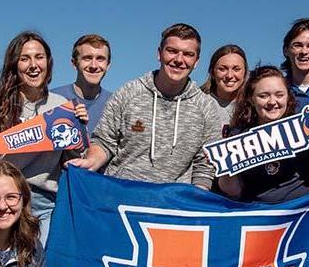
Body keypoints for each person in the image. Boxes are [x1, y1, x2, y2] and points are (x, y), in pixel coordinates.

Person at [0, 31, 86, 245]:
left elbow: (73, 161)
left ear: (48, 62)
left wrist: (78, 131)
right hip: (2, 202)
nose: (33, 65)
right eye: (24, 58)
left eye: (39, 57)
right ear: (14, 65)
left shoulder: (61, 106)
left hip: (44, 205)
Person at [67, 23, 222, 189]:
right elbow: (105, 141)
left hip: (173, 204)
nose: (179, 60)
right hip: (120, 194)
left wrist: (193, 201)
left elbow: (204, 167)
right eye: (172, 51)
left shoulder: (206, 107)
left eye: (188, 54)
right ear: (159, 54)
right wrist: (91, 161)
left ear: (196, 61)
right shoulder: (128, 92)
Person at [218, 66, 309, 203]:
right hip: (260, 214)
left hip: (306, 210)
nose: (272, 102)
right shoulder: (238, 136)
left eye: (279, 95)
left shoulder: (304, 125)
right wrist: (225, 166)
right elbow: (233, 190)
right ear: (251, 99)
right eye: (263, 96)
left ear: (288, 96)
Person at [51, 33, 113, 134]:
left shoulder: (115, 103)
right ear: (74, 63)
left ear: (108, 65)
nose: (94, 65)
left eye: (100, 59)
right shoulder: (53, 99)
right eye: (87, 58)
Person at [201, 44, 248, 137]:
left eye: (236, 69)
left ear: (245, 72)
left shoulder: (253, 105)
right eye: (222, 69)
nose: (229, 75)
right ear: (212, 73)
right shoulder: (200, 102)